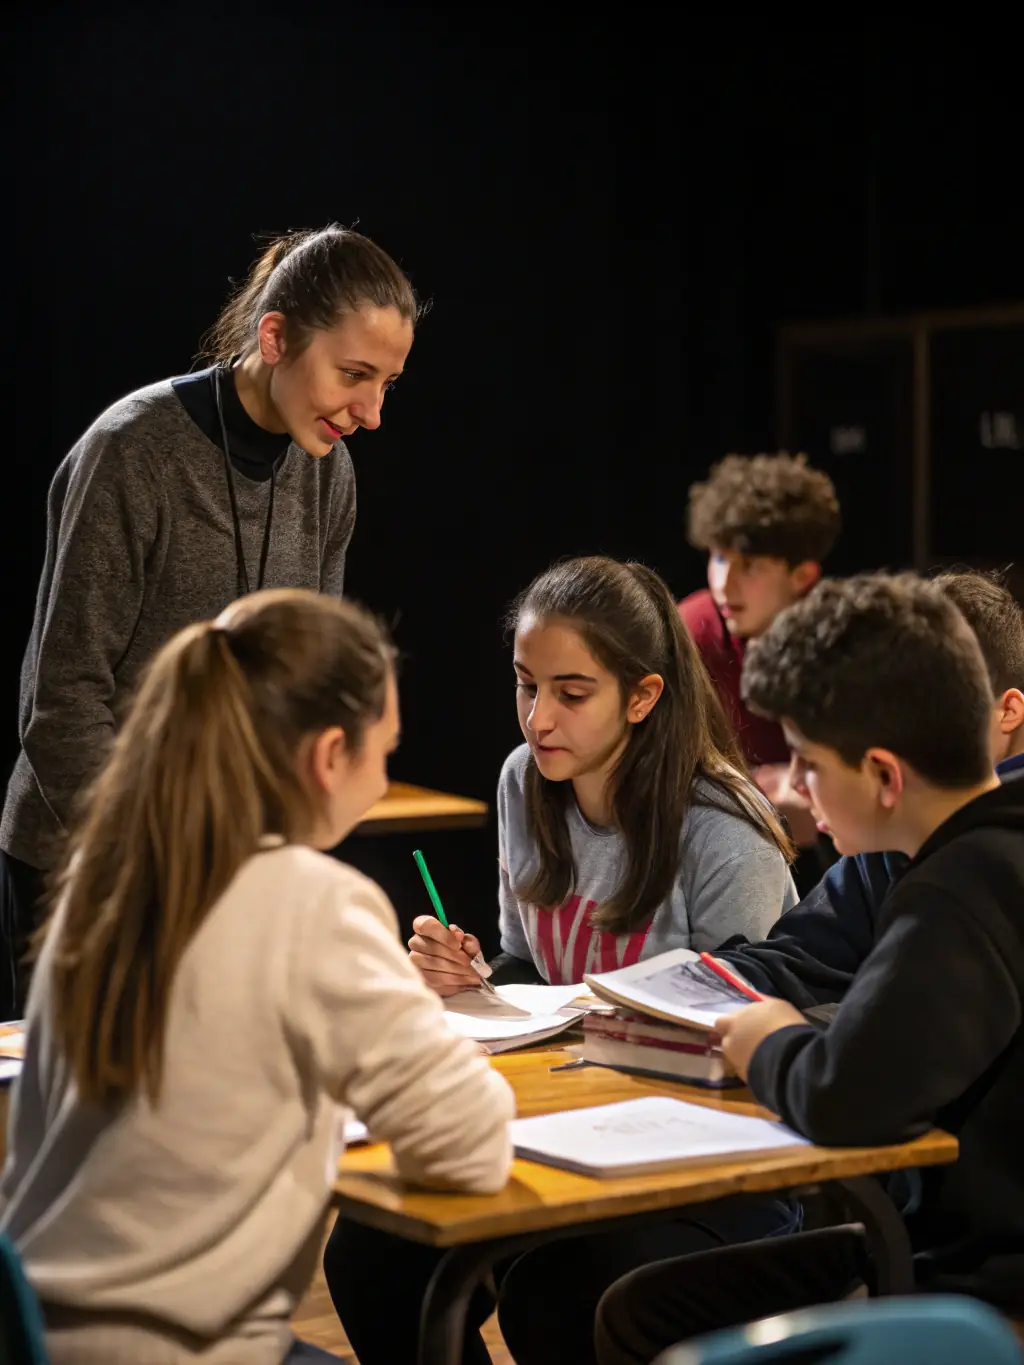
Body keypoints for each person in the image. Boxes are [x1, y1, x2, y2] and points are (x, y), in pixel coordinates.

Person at [0, 589, 513, 1365]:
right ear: (328, 755)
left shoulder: (106, 882)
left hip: (38, 1331)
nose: (383, 781)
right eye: (385, 751)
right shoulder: (317, 901)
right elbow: (470, 1145)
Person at [325, 556, 800, 1365]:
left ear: (643, 697)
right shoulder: (525, 782)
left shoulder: (722, 829)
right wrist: (474, 981)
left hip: (708, 1156)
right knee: (370, 1255)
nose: (538, 718)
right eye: (525, 684)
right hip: (577, 1123)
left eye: (571, 694)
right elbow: (528, 966)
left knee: (560, 1291)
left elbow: (751, 1031)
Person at [594, 573, 1024, 1365]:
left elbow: (847, 1095)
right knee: (630, 1301)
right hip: (944, 1245)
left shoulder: (960, 888)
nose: (795, 789)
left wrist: (769, 1041)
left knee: (640, 1313)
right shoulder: (959, 858)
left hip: (978, 1283)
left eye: (811, 765)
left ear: (887, 776)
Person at [0, 224, 420, 1018]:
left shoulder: (331, 478)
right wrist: (169, 867)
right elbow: (60, 704)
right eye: (353, 374)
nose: (369, 413)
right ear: (275, 336)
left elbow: (308, 697)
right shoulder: (132, 451)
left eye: (387, 385)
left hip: (227, 875)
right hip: (95, 864)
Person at [714, 567, 1024, 1008]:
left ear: (1005, 709)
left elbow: (872, 1061)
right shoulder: (893, 830)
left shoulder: (975, 869)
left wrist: (774, 1043)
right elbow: (802, 955)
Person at [679, 452, 841, 857]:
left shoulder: (839, 644)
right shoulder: (692, 629)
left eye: (748, 566)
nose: (723, 584)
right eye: (718, 557)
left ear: (802, 575)